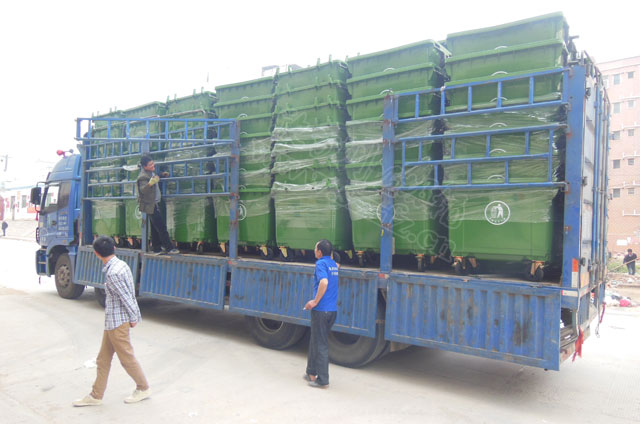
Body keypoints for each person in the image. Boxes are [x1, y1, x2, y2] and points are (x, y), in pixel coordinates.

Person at [72, 236, 151, 406]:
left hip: (118, 322)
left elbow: (126, 297)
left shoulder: (113, 273)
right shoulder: (121, 265)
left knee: (126, 358)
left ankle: (143, 387)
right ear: (114, 249)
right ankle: (96, 395)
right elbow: (130, 292)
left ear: (96, 254)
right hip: (112, 322)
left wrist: (134, 317)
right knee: (103, 359)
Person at [303, 239, 339, 389]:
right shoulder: (333, 264)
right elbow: (336, 266)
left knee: (321, 344)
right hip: (332, 311)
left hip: (321, 311)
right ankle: (311, 372)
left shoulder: (320, 264)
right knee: (316, 340)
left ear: (319, 252)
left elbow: (324, 282)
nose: (314, 251)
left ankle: (323, 380)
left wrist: (315, 301)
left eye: (315, 248)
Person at [137, 155, 178, 254]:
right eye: (150, 164)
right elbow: (143, 190)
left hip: (154, 204)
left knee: (155, 228)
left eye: (152, 163)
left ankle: (156, 249)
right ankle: (169, 248)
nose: (153, 165)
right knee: (161, 227)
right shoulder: (142, 177)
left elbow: (155, 176)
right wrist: (150, 184)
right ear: (145, 166)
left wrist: (162, 174)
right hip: (150, 205)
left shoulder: (150, 172)